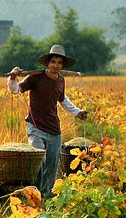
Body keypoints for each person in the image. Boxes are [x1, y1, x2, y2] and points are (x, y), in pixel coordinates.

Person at [7, 44, 88, 197]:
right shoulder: (35, 78)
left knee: (51, 165)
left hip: (54, 130)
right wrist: (12, 77)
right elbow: (15, 89)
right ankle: (36, 194)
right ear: (48, 63)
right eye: (53, 62)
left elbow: (63, 100)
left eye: (59, 63)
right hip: (35, 127)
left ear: (62, 65)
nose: (56, 66)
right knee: (40, 160)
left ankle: (47, 195)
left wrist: (78, 112)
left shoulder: (61, 80)